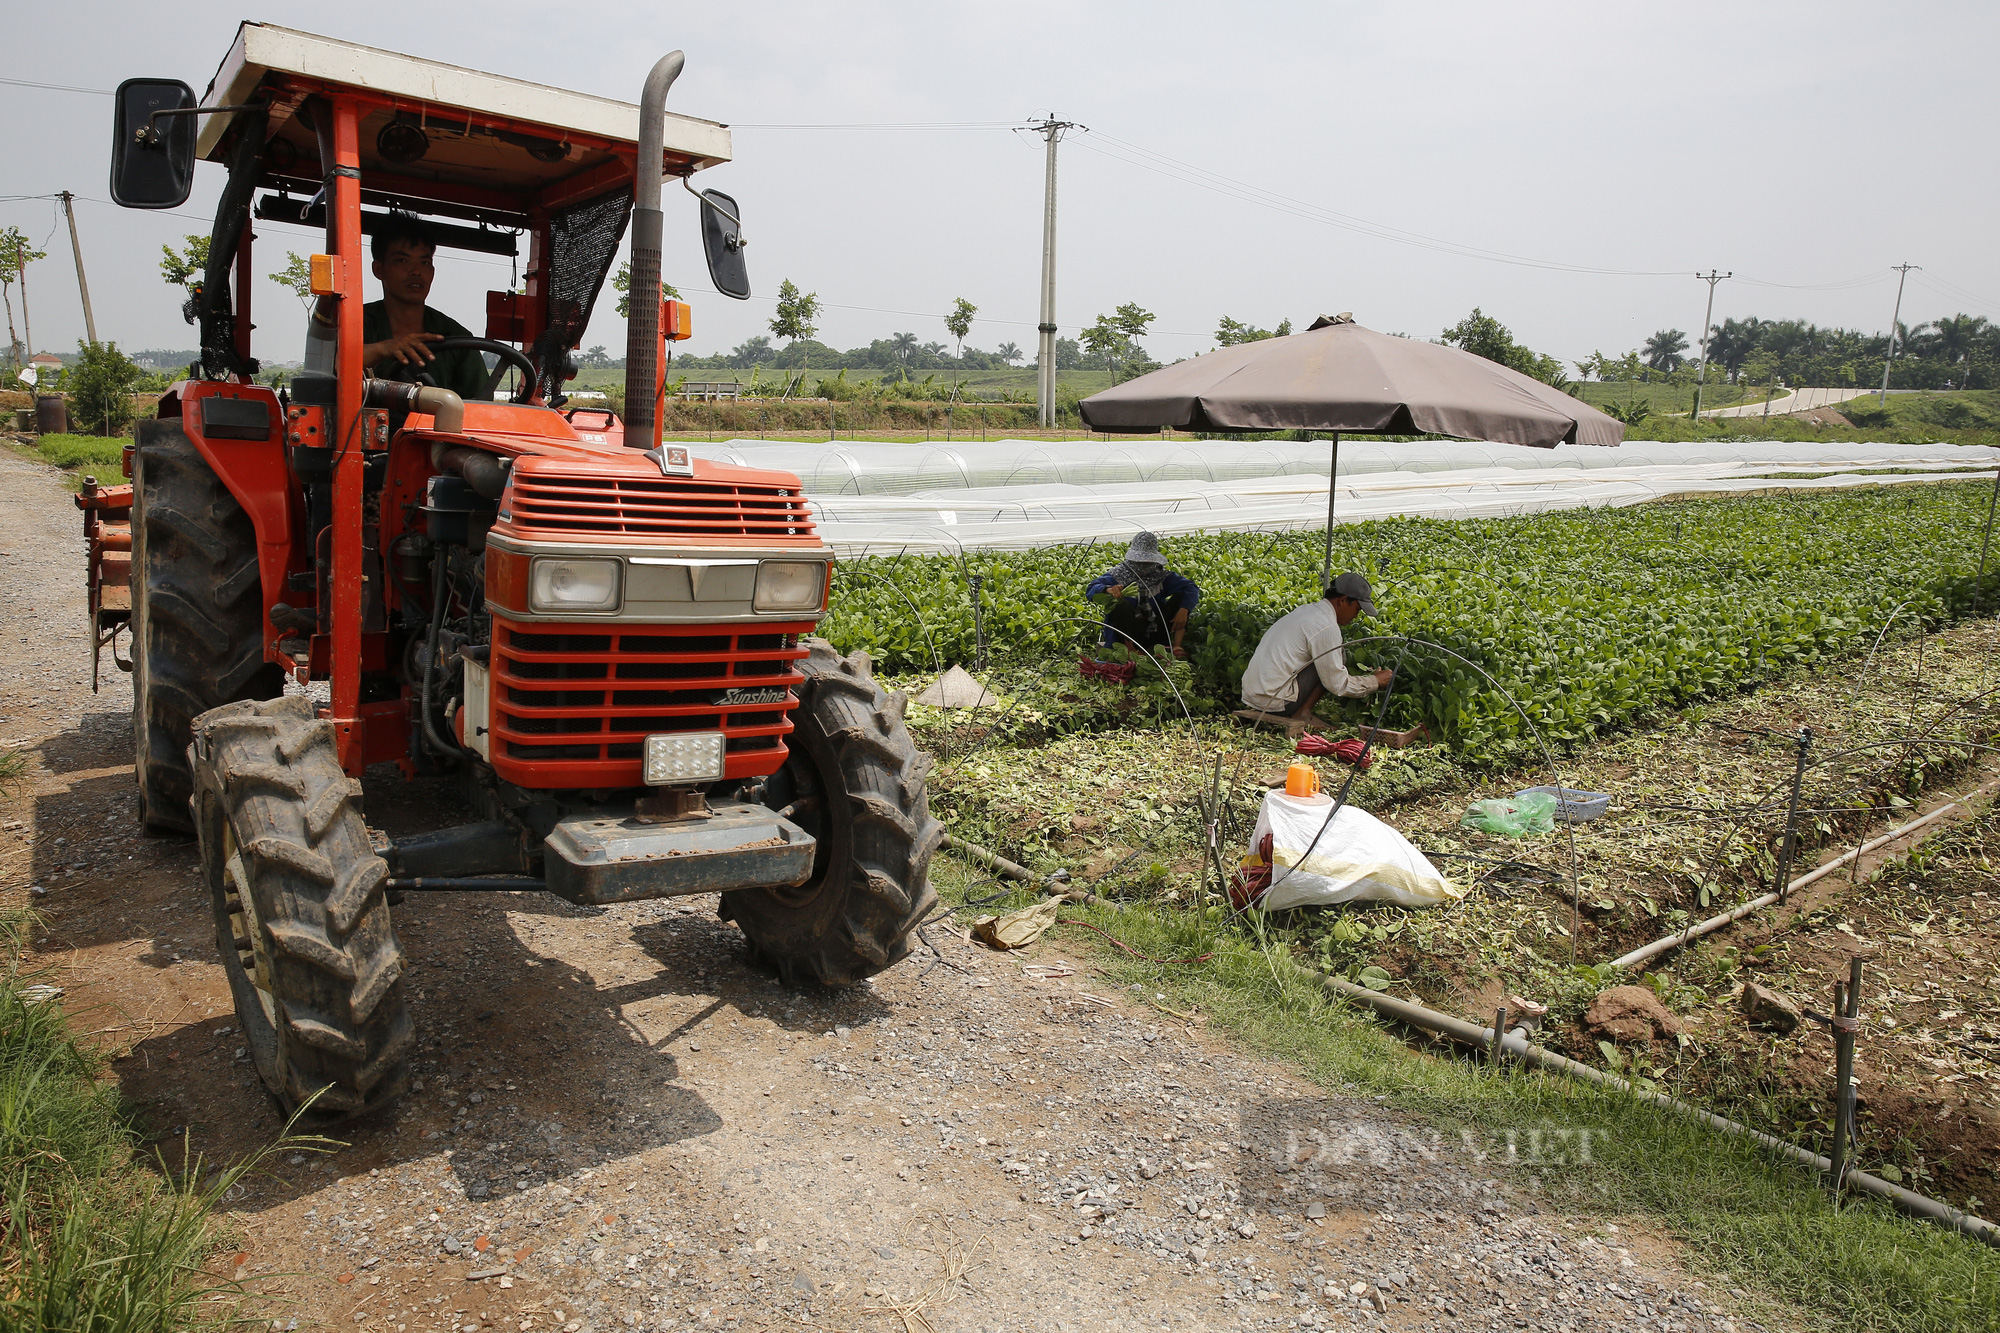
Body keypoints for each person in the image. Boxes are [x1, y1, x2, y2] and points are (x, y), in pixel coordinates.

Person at [307, 213, 491, 402]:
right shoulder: (352, 323)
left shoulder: (457, 338)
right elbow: (330, 368)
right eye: (402, 260)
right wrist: (382, 349)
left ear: (432, 271)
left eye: (425, 262)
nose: (416, 271)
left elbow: (484, 407)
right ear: (379, 269)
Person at [1238, 571, 1393, 733]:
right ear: (1343, 600)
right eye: (1357, 609)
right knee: (1337, 655)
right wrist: (1374, 682)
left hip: (1254, 694)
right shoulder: (1326, 626)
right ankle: (1302, 713)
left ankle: (1302, 711)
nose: (1356, 616)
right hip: (1275, 702)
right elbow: (1337, 684)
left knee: (1331, 656)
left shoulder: (1308, 610)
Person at [1085, 531, 1201, 659]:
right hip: (1127, 632)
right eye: (1140, 561)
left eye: (1147, 561)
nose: (1143, 565)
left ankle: (1176, 647)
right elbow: (1091, 588)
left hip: (1155, 628)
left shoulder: (1161, 576)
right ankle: (1131, 651)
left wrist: (1184, 610)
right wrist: (1108, 590)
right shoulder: (1118, 574)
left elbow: (1191, 587)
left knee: (1181, 598)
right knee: (1120, 605)